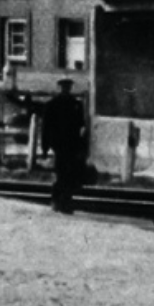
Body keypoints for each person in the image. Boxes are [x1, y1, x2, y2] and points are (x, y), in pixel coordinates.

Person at [40, 77, 88, 214]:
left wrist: (81, 147)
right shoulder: (55, 105)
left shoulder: (74, 105)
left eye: (67, 88)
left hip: (68, 144)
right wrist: (45, 146)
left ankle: (64, 201)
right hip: (61, 144)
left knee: (68, 175)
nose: (66, 90)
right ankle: (59, 201)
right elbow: (46, 127)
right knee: (62, 174)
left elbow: (81, 127)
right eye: (64, 88)